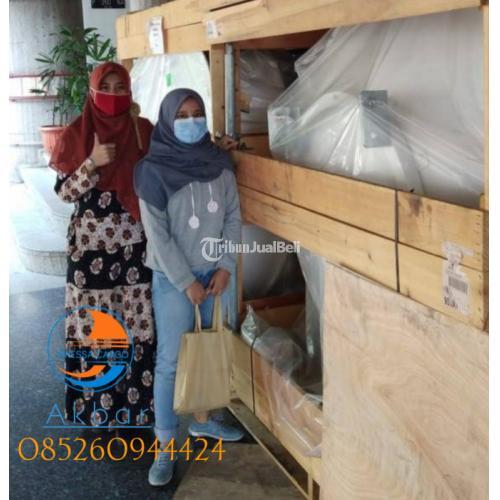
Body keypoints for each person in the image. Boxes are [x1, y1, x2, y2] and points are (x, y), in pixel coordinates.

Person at [134, 88, 243, 486]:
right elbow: (158, 236)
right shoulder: (152, 170)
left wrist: (226, 267)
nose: (191, 121)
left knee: (210, 350)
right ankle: (164, 448)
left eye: (197, 113)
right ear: (167, 120)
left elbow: (233, 216)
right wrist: (185, 282)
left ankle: (204, 420)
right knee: (170, 362)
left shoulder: (219, 163)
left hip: (216, 276)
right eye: (181, 115)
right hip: (173, 280)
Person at [50, 62, 155, 429]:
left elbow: (166, 170)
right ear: (92, 91)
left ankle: (135, 410)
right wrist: (92, 163)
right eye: (105, 87)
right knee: (96, 332)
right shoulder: (75, 133)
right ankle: (97, 411)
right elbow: (65, 193)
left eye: (119, 86)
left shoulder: (143, 130)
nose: (112, 94)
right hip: (89, 253)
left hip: (133, 250)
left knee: (136, 328)